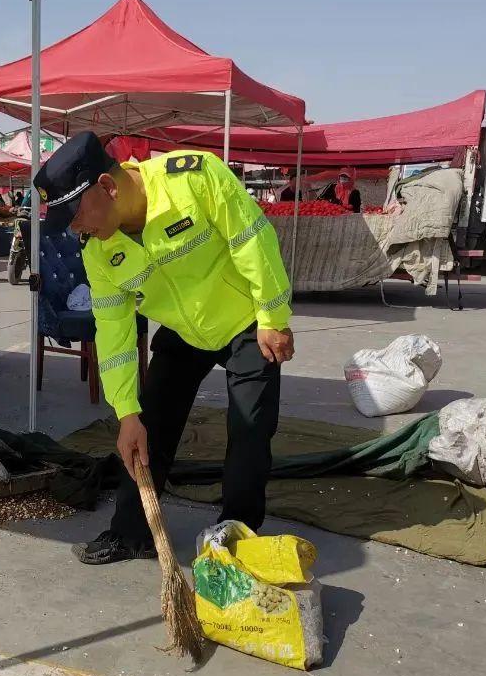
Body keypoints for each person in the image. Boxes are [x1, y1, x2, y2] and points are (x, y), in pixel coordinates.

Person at [33, 131, 295, 564]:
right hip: (183, 332)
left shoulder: (194, 178)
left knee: (250, 429)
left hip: (245, 322)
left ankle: (237, 540)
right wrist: (125, 413)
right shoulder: (100, 249)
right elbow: (113, 332)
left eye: (75, 214)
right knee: (146, 429)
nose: (75, 228)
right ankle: (130, 532)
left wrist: (273, 318)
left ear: (107, 186)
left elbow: (253, 240)